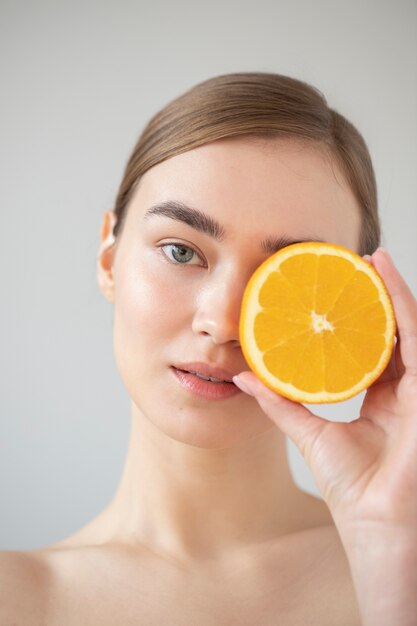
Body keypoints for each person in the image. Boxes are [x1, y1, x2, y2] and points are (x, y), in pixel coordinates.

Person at [1, 72, 416, 625]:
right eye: (179, 251)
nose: (222, 322)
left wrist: (390, 551)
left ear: (355, 303)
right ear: (109, 258)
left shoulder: (400, 564)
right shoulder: (17, 599)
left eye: (281, 275)